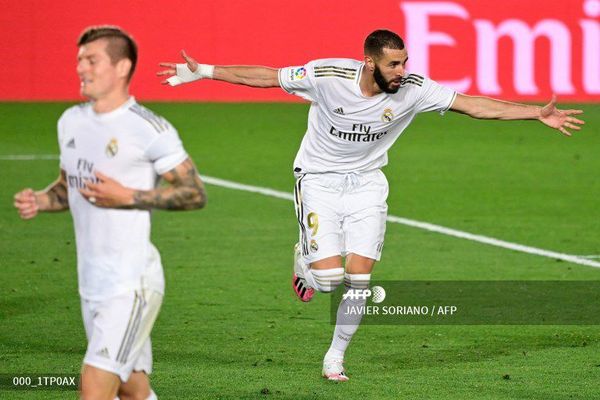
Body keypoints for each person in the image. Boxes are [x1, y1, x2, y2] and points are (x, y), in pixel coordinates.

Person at [156, 29, 584, 382]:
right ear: (369, 63)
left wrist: (534, 114)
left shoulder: (414, 89)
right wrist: (205, 72)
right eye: (393, 64)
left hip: (367, 186)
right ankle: (304, 257)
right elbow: (268, 77)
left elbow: (473, 106)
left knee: (359, 279)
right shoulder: (327, 75)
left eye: (404, 62)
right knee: (327, 281)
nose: (402, 71)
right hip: (319, 180)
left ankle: (335, 358)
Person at [14, 26, 206, 399]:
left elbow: (194, 192)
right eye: (79, 61)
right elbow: (69, 185)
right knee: (132, 388)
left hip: (131, 283)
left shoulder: (149, 128)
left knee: (94, 388)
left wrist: (129, 195)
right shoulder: (70, 121)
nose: (81, 68)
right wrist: (41, 199)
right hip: (92, 283)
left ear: (122, 67)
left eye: (91, 60)